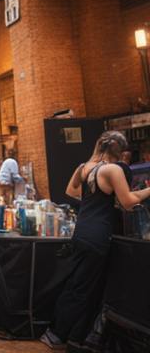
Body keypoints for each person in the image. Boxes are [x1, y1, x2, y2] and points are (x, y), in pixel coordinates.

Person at [41, 131, 150, 351]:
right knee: (84, 289)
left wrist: (95, 203)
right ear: (120, 152)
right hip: (98, 236)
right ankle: (62, 335)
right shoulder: (113, 169)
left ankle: (55, 332)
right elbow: (128, 202)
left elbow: (70, 191)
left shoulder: (84, 167)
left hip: (82, 232)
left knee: (75, 284)